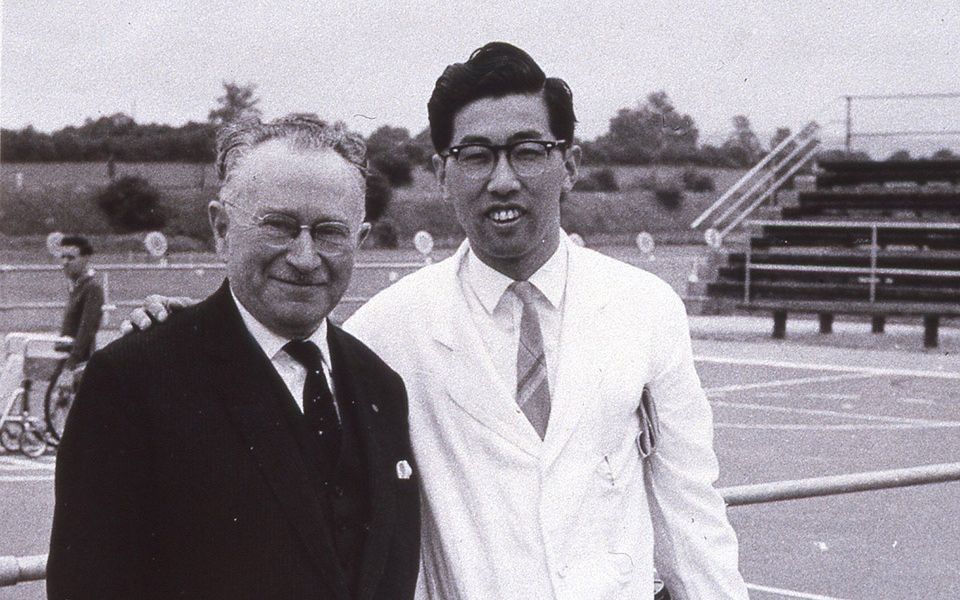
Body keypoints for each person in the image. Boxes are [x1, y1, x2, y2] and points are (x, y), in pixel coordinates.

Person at [126, 44, 748, 599]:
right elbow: (269, 361)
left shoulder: (645, 308)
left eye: (528, 152)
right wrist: (188, 334)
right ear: (442, 172)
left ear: (571, 165)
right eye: (474, 155)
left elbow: (689, 507)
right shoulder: (383, 334)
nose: (502, 180)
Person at [47, 116, 421, 600]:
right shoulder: (132, 381)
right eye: (278, 227)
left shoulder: (381, 387)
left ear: (360, 241)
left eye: (329, 232)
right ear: (221, 229)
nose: (305, 257)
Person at [57, 235, 104, 373]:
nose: (65, 262)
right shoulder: (76, 288)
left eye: (71, 258)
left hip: (79, 365)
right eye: (63, 257)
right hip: (66, 359)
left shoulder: (92, 288)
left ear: (86, 258)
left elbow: (87, 329)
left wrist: (70, 364)